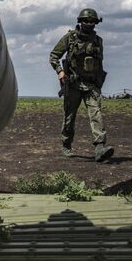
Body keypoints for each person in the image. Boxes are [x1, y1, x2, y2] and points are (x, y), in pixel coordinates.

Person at [49, 8, 114, 162]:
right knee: (69, 117)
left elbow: (99, 63)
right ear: (80, 21)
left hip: (91, 85)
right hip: (73, 84)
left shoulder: (98, 41)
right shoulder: (70, 38)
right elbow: (53, 56)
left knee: (96, 114)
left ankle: (100, 148)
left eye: (92, 21)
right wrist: (60, 71)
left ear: (96, 23)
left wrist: (98, 82)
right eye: (86, 21)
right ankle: (66, 144)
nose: (89, 23)